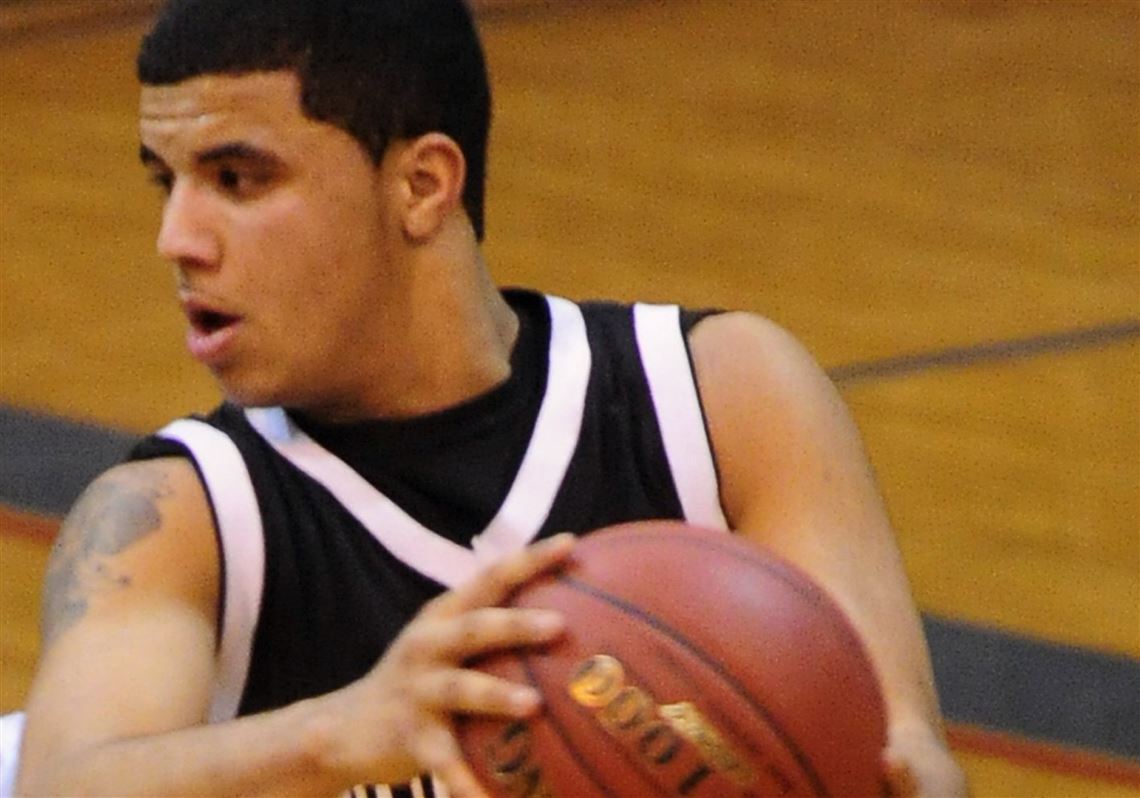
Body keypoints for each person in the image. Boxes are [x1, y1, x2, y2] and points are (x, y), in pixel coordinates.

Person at [11, 0, 967, 795]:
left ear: (423, 184)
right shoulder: (177, 518)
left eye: (236, 178)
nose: (177, 238)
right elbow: (63, 782)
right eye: (167, 182)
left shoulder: (722, 399)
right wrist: (342, 734)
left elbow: (901, 751)